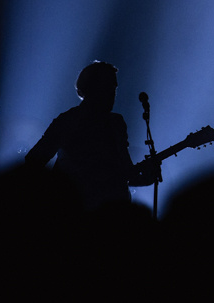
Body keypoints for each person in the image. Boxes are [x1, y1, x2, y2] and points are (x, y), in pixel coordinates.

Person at [24, 61, 160, 212]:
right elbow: (34, 161)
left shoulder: (116, 123)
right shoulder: (69, 121)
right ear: (92, 88)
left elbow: (124, 173)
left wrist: (146, 178)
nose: (113, 93)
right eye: (108, 86)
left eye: (114, 88)